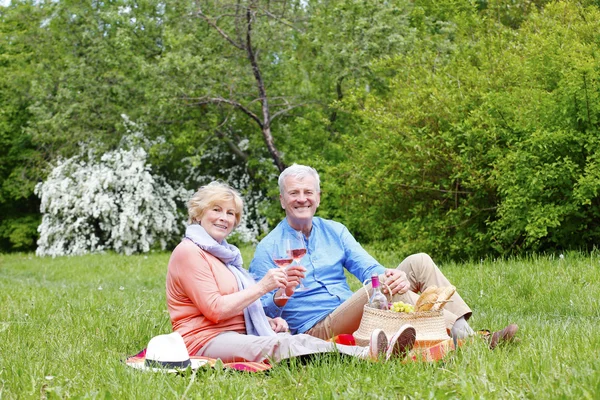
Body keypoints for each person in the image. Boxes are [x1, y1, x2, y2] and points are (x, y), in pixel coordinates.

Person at [249, 164, 518, 349]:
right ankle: (472, 342)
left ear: (318, 197)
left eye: (308, 192)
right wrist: (279, 294)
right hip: (316, 326)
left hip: (350, 308)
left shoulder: (334, 231)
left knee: (417, 262)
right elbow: (257, 309)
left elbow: (369, 269)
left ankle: (462, 333)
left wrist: (393, 275)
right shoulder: (268, 247)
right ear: (282, 200)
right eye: (293, 193)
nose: (302, 199)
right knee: (385, 289)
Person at [165, 181, 417, 364]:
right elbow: (216, 310)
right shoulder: (189, 252)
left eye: (231, 213)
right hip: (204, 339)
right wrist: (263, 287)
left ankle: (414, 334)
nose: (224, 218)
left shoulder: (223, 255)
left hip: (233, 332)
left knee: (286, 339)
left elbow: (237, 306)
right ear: (198, 213)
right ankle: (370, 354)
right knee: (283, 344)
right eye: (216, 210)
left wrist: (267, 321)